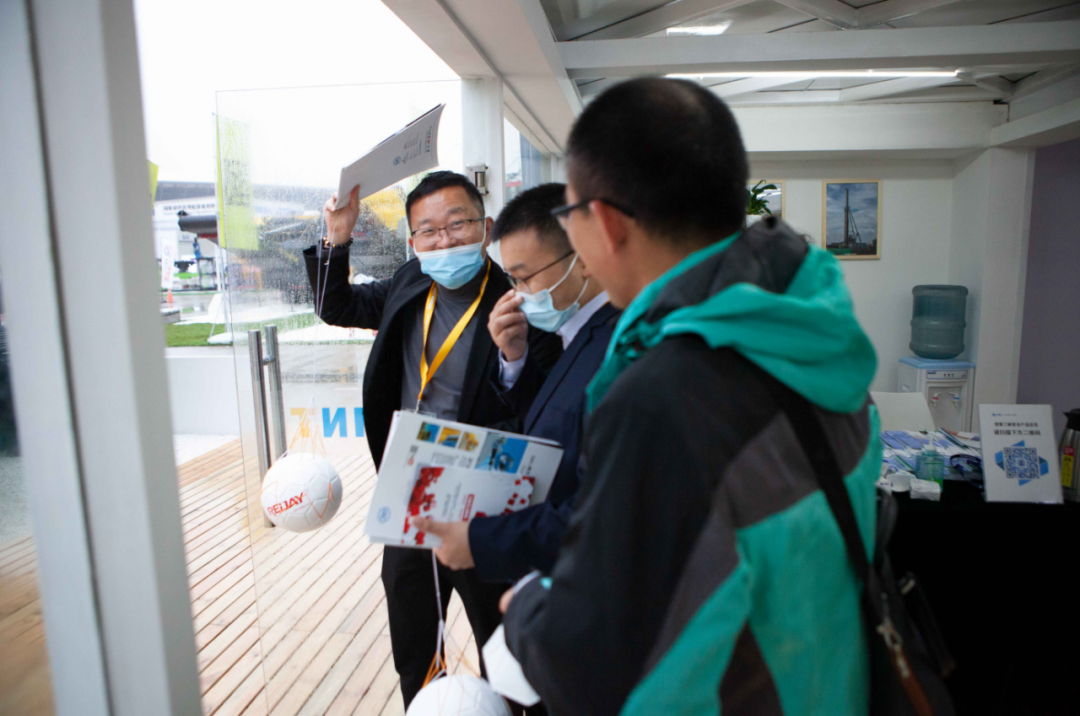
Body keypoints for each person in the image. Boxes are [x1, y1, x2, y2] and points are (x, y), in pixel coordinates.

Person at [500, 78, 881, 715]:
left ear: (606, 224)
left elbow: (593, 668)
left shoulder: (659, 396)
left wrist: (528, 611)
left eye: (570, 214)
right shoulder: (813, 329)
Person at [305, 171, 561, 708]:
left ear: (486, 226)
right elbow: (336, 306)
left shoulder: (519, 299)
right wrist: (337, 237)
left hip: (483, 493)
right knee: (414, 637)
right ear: (413, 240)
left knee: (502, 644)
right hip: (411, 486)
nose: (444, 241)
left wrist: (514, 358)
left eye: (457, 224)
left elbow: (544, 407)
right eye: (428, 230)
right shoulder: (410, 281)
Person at [410, 182, 620, 583]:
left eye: (525, 278)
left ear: (583, 259)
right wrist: (515, 357)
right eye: (513, 281)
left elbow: (599, 508)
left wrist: (481, 541)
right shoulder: (577, 333)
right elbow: (553, 413)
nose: (519, 296)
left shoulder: (616, 349)